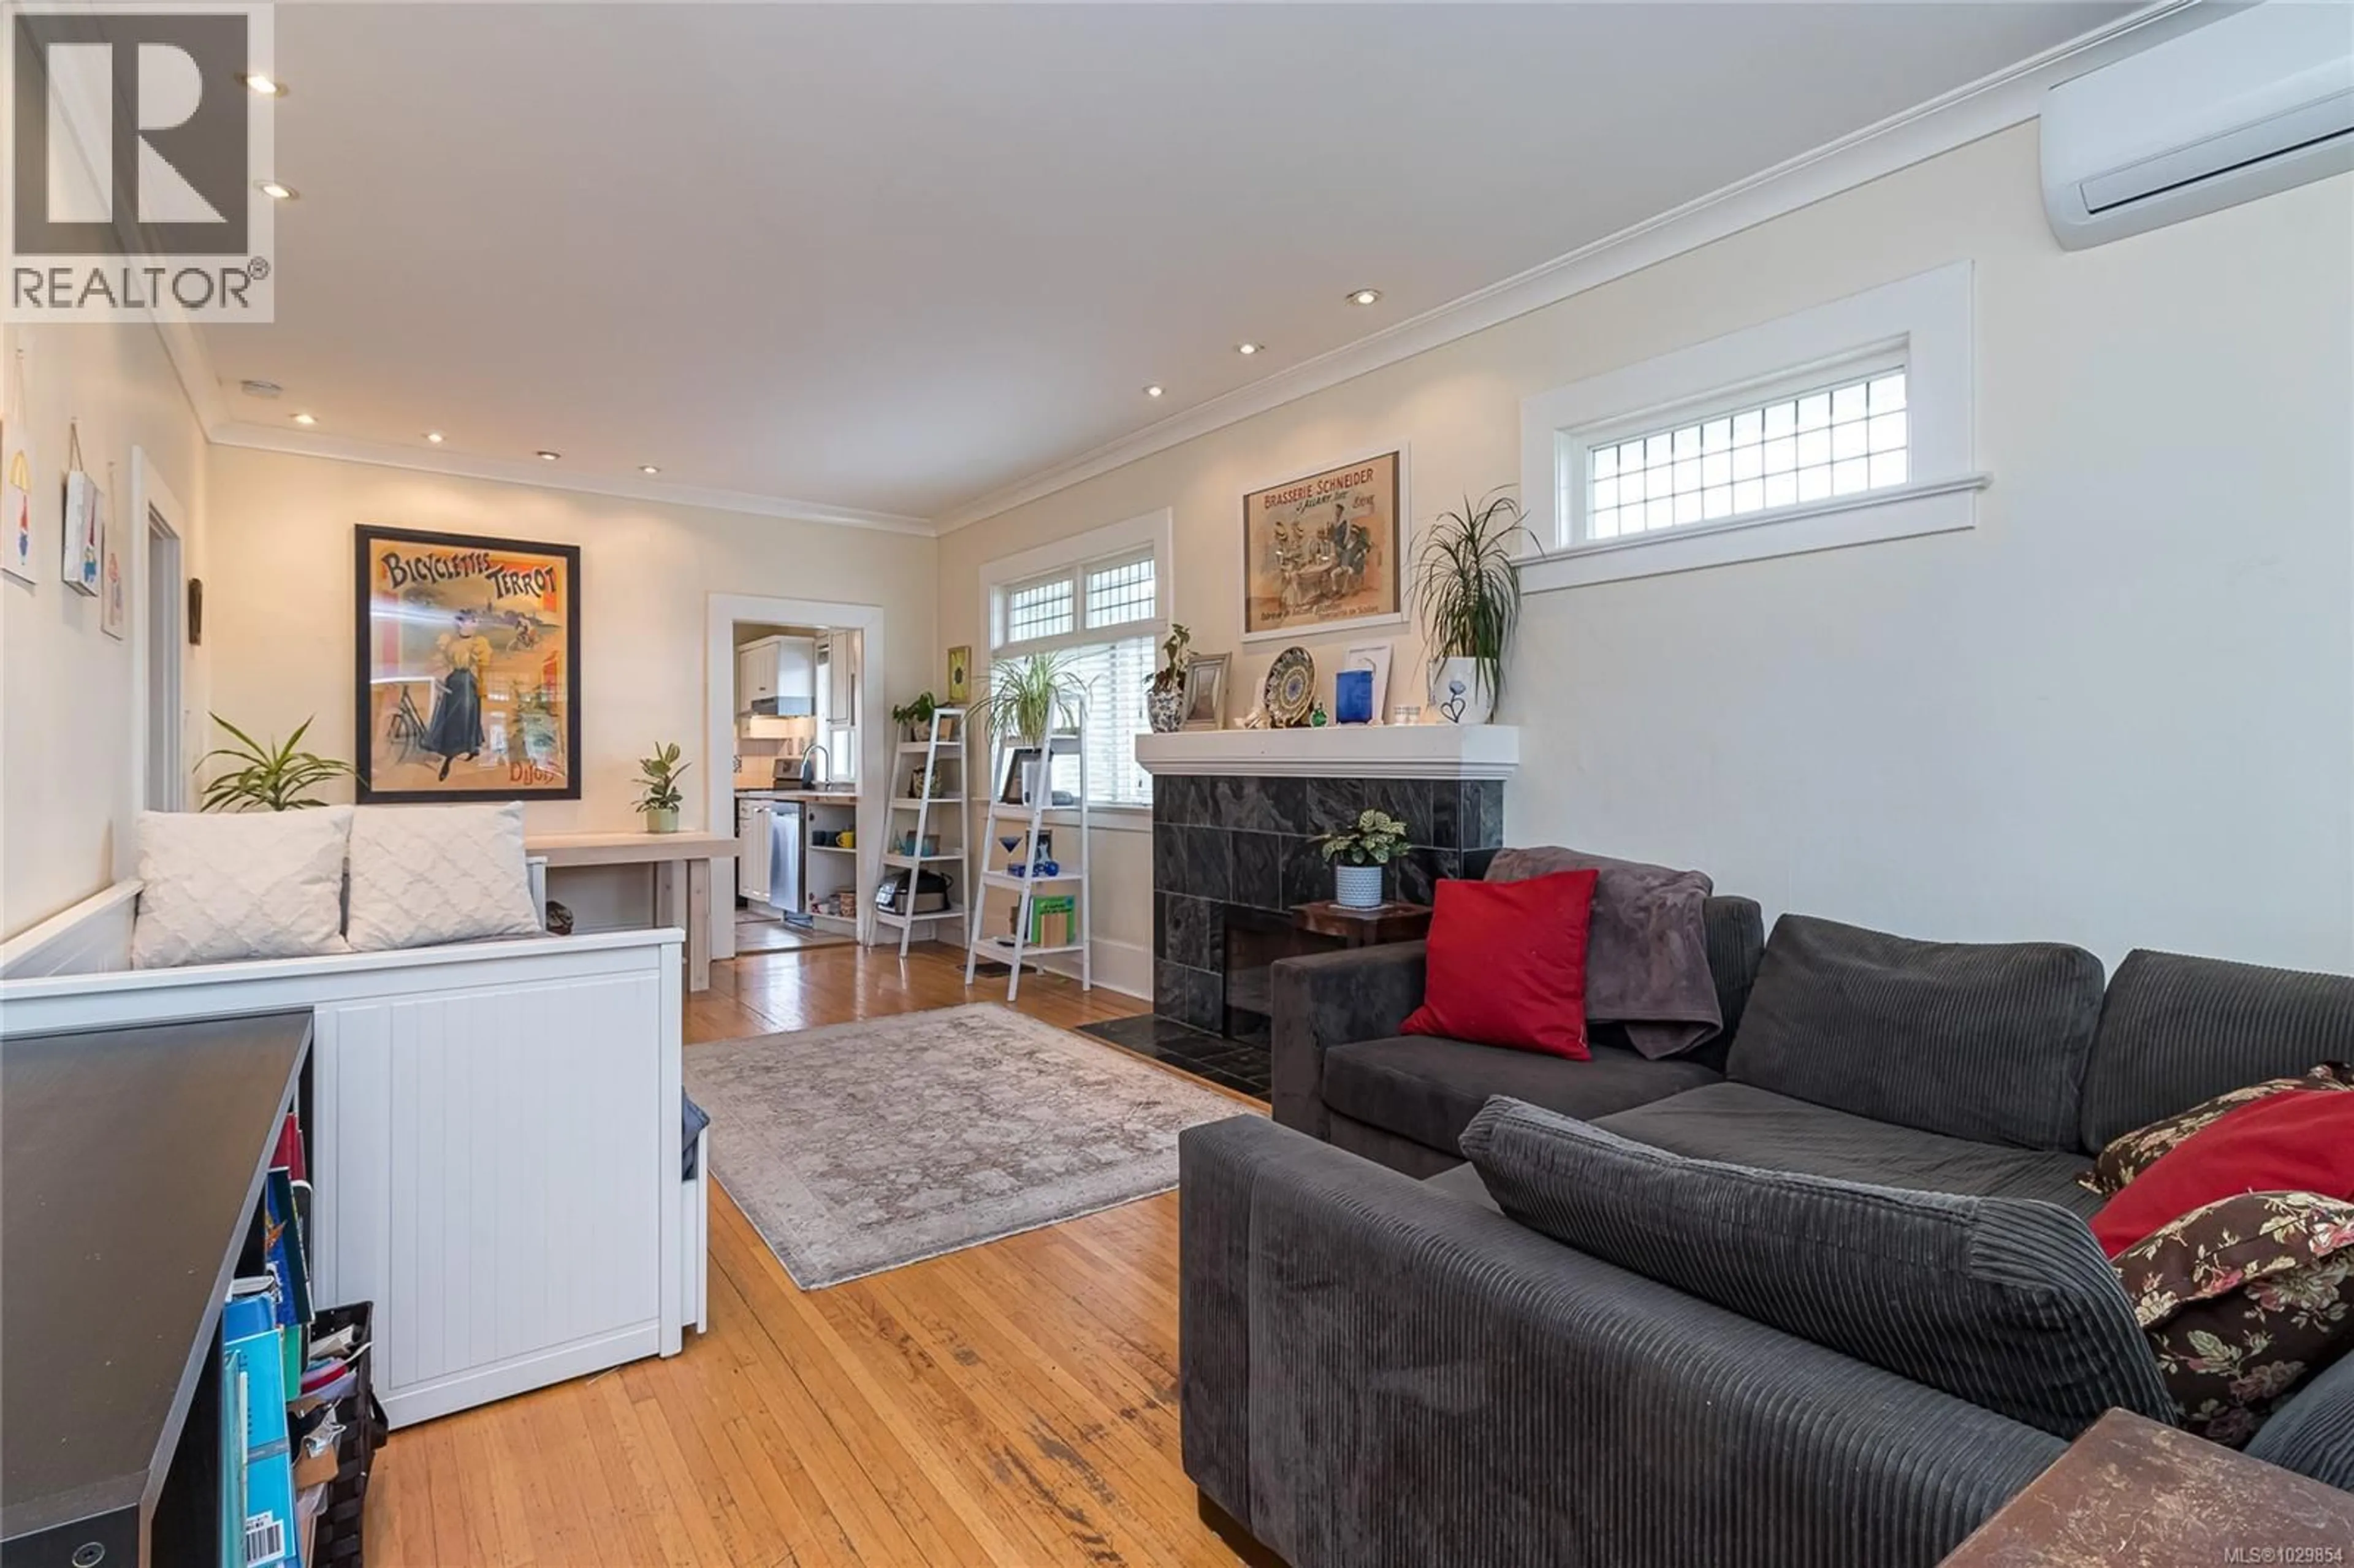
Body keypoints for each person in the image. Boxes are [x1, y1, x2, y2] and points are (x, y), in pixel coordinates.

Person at [422, 607, 492, 781]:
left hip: (468, 681)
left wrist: (482, 684)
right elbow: (443, 662)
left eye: (476, 621)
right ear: (461, 623)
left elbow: (482, 666)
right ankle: (450, 753)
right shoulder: (450, 642)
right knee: (451, 716)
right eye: (471, 621)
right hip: (454, 680)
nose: (475, 624)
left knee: (467, 714)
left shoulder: (479, 642)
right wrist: (436, 676)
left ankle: (469, 747)